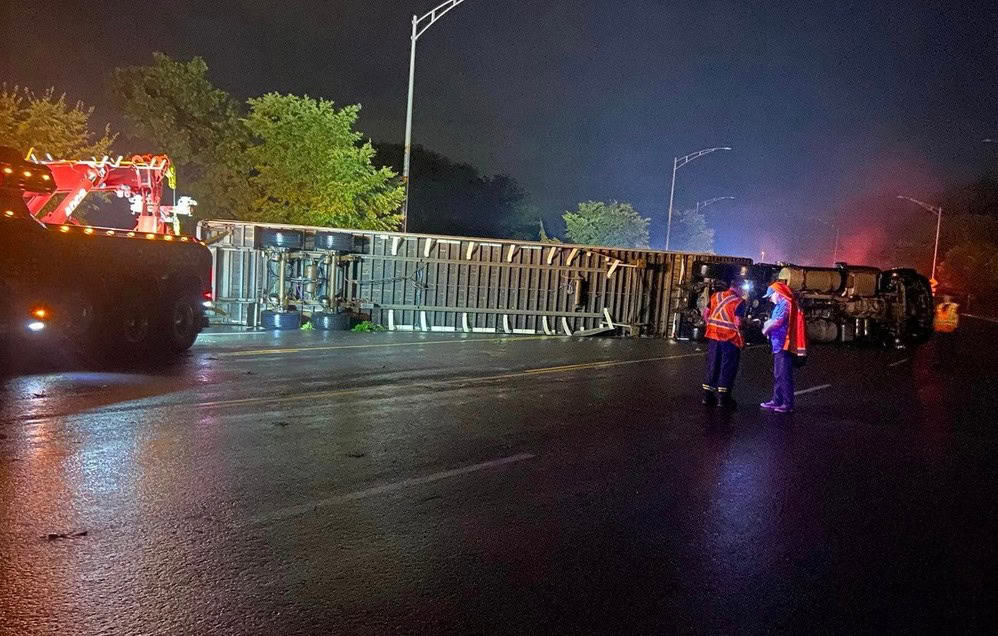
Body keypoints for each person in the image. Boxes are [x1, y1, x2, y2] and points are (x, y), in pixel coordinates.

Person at [760, 281, 808, 414]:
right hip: (778, 344)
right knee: (778, 374)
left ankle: (787, 403)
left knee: (784, 375)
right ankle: (777, 400)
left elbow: (777, 322)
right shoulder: (780, 305)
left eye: (771, 296)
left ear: (778, 293)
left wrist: (765, 329)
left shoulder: (786, 304)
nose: (769, 299)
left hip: (783, 344)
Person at [701, 278, 745, 409]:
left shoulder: (716, 296)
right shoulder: (739, 302)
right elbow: (738, 322)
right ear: (739, 288)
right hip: (729, 339)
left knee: (713, 364)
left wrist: (711, 324)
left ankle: (707, 396)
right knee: (727, 366)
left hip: (713, 336)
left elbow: (706, 313)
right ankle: (723, 398)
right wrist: (742, 338)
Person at [932, 294, 959, 367]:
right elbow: (936, 317)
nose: (945, 297)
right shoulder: (939, 306)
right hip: (940, 329)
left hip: (950, 330)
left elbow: (957, 318)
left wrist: (955, 328)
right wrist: (935, 326)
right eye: (944, 296)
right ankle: (938, 362)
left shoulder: (955, 306)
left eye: (947, 296)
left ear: (951, 297)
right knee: (938, 347)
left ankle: (951, 362)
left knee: (950, 347)